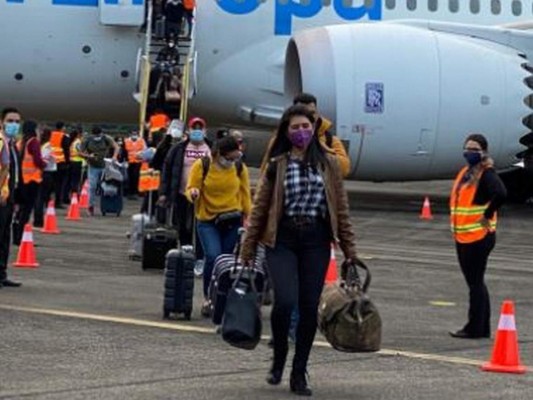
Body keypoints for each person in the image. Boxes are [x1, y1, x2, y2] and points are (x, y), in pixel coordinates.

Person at [240, 105, 357, 396]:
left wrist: (351, 252)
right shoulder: (277, 164)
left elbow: (341, 210)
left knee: (308, 307)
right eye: (295, 127)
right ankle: (279, 355)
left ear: (314, 128)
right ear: (285, 131)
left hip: (316, 240)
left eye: (306, 126)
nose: (301, 132)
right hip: (283, 239)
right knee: (284, 302)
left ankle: (299, 371)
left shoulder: (329, 163)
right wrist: (248, 247)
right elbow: (259, 209)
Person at [449, 134, 507, 339]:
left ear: (483, 152)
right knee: (476, 282)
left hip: (477, 237)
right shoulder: (467, 172)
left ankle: (474, 327)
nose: (469, 152)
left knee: (475, 283)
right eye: (467, 148)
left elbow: (501, 194)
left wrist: (487, 214)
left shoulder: (486, 173)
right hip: (465, 236)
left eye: (474, 149)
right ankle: (481, 327)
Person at [186, 135, 251, 316]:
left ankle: (221, 298)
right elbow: (191, 186)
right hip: (208, 220)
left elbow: (245, 195)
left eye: (235, 158)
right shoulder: (203, 165)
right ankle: (209, 297)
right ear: (219, 154)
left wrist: (250, 217)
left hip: (232, 220)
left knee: (227, 261)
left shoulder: (239, 168)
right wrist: (193, 192)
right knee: (213, 257)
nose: (232, 162)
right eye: (229, 158)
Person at [159, 117, 210, 262]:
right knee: (182, 223)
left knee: (201, 225)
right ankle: (185, 247)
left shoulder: (211, 148)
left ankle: (200, 256)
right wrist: (163, 193)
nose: (197, 131)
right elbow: (167, 170)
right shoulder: (179, 148)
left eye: (200, 128)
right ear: (188, 130)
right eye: (194, 128)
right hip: (181, 192)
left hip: (205, 195)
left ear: (205, 131)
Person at [0, 107, 23, 288]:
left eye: (16, 121)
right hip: (1, 196)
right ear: (2, 122)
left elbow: (15, 173)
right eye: (10, 121)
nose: (14, 124)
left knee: (5, 237)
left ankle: (2, 274)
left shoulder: (13, 145)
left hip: (10, 197)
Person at [13, 121, 46, 244]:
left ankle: (16, 236)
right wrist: (45, 164)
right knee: (26, 211)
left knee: (19, 210)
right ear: (34, 129)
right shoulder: (34, 142)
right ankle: (21, 237)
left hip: (21, 179)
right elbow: (37, 161)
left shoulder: (21, 142)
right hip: (32, 180)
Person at [79, 126, 119, 216]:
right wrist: (89, 156)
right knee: (92, 186)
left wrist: (114, 156)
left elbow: (116, 147)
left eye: (99, 135)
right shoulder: (87, 140)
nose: (97, 137)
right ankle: (90, 206)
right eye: (95, 136)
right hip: (93, 166)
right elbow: (80, 152)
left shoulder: (106, 138)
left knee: (107, 187)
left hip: (105, 165)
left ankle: (107, 206)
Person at [34, 129, 57, 228]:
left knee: (39, 197)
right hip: (47, 173)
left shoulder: (40, 145)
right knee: (42, 198)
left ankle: (38, 219)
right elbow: (44, 161)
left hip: (41, 173)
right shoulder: (47, 146)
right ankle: (39, 220)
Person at [50, 121, 71, 208]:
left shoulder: (51, 135)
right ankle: (57, 202)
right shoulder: (64, 136)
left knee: (50, 183)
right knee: (59, 184)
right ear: (62, 128)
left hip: (50, 162)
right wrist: (68, 162)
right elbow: (66, 150)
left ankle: (46, 201)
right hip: (60, 163)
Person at [124, 131, 147, 198]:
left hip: (138, 162)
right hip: (129, 162)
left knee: (137, 177)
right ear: (130, 135)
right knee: (129, 177)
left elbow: (145, 150)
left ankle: (136, 191)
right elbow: (124, 151)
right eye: (133, 134)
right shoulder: (126, 141)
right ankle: (130, 192)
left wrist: (141, 156)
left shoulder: (142, 141)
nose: (134, 135)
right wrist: (124, 161)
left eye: (135, 134)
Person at [68, 128, 85, 198]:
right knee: (76, 181)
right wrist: (89, 156)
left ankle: (71, 194)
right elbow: (80, 153)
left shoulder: (72, 141)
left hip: (71, 161)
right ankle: (75, 195)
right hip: (77, 162)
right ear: (79, 134)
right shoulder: (78, 142)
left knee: (72, 180)